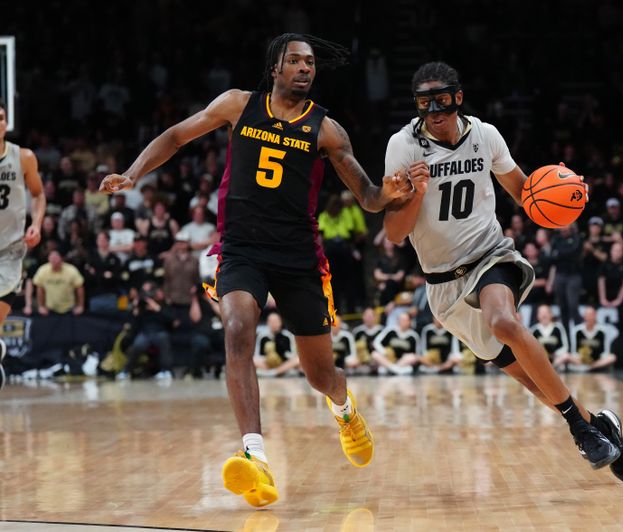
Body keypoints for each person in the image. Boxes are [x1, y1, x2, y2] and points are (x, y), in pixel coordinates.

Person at [99, 33, 416, 506]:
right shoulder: (237, 105)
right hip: (242, 248)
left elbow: (368, 198)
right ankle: (256, 458)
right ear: (275, 68)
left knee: (320, 375)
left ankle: (344, 408)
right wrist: (133, 173)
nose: (305, 68)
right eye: (295, 61)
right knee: (238, 327)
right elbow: (175, 136)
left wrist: (390, 194)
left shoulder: (327, 130)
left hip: (300, 257)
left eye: (310, 62)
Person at [383, 62, 623, 483]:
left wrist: (569, 191)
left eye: (442, 99)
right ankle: (597, 423)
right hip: (444, 287)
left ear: (458, 97)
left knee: (504, 322)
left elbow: (528, 194)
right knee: (533, 381)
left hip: (490, 256)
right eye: (424, 102)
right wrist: (416, 194)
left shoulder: (485, 136)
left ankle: (580, 432)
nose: (434, 109)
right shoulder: (404, 147)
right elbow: (394, 233)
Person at [0, 100, 46, 390]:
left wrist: (37, 224)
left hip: (10, 249)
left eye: (2, 117)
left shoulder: (23, 157)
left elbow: (38, 195)